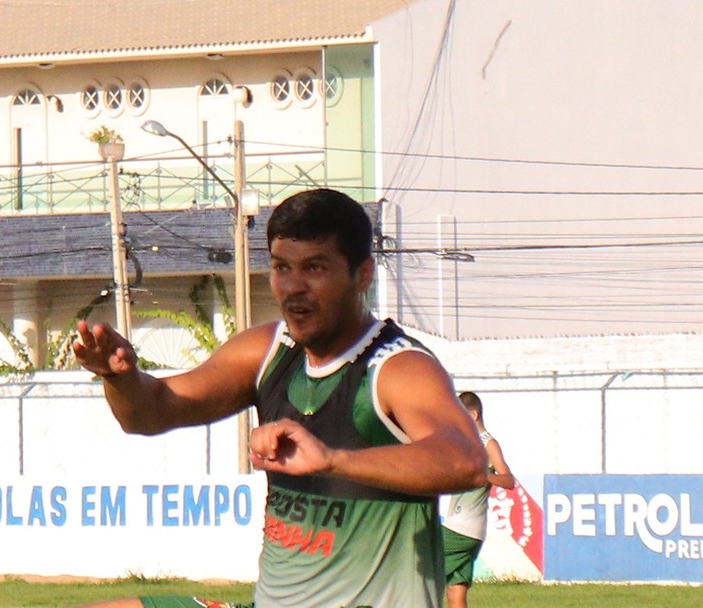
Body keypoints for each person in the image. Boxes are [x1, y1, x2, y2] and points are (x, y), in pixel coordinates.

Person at [72, 188, 488, 608]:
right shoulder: (268, 350)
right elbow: (152, 412)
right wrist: (119, 377)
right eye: (281, 267)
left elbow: (466, 461)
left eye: (314, 268)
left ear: (363, 274)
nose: (293, 287)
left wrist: (334, 460)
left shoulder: (397, 367)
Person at [441, 391, 516, 608]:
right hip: (469, 530)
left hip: (461, 528)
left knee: (419, 567)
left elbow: (508, 480)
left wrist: (484, 476)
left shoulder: (488, 444)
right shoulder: (464, 443)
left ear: (473, 415)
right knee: (456, 593)